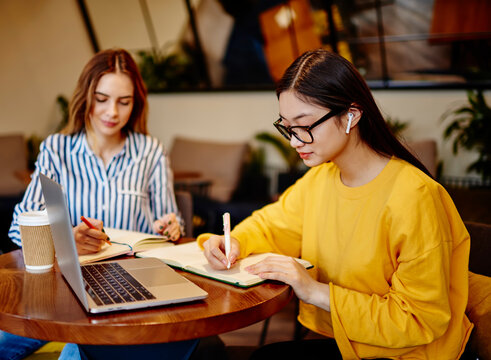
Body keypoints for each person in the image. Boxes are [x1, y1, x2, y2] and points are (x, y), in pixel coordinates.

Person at [200, 49, 472, 359]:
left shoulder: (415, 196)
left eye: (305, 125)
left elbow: (419, 320)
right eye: (287, 126)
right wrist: (232, 242)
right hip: (350, 344)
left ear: (351, 116)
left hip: (408, 353)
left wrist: (315, 291)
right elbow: (271, 225)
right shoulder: (322, 180)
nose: (294, 141)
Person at [0, 48, 192, 360]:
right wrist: (67, 239)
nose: (112, 112)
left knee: (73, 357)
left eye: (124, 102)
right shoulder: (57, 149)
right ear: (86, 97)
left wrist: (170, 225)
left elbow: (169, 222)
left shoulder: (150, 152)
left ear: (135, 103)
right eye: (102, 99)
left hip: (127, 290)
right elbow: (19, 228)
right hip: (60, 290)